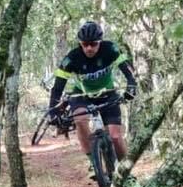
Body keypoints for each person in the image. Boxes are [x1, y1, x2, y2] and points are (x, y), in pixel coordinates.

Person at [48, 20, 138, 166]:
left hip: (107, 93)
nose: (89, 48)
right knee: (80, 120)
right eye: (85, 44)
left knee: (115, 136)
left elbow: (127, 69)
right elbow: (57, 87)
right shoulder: (72, 58)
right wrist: (53, 110)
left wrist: (132, 84)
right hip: (82, 95)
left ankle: (126, 173)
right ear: (80, 43)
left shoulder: (110, 49)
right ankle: (93, 163)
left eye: (93, 44)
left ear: (100, 42)